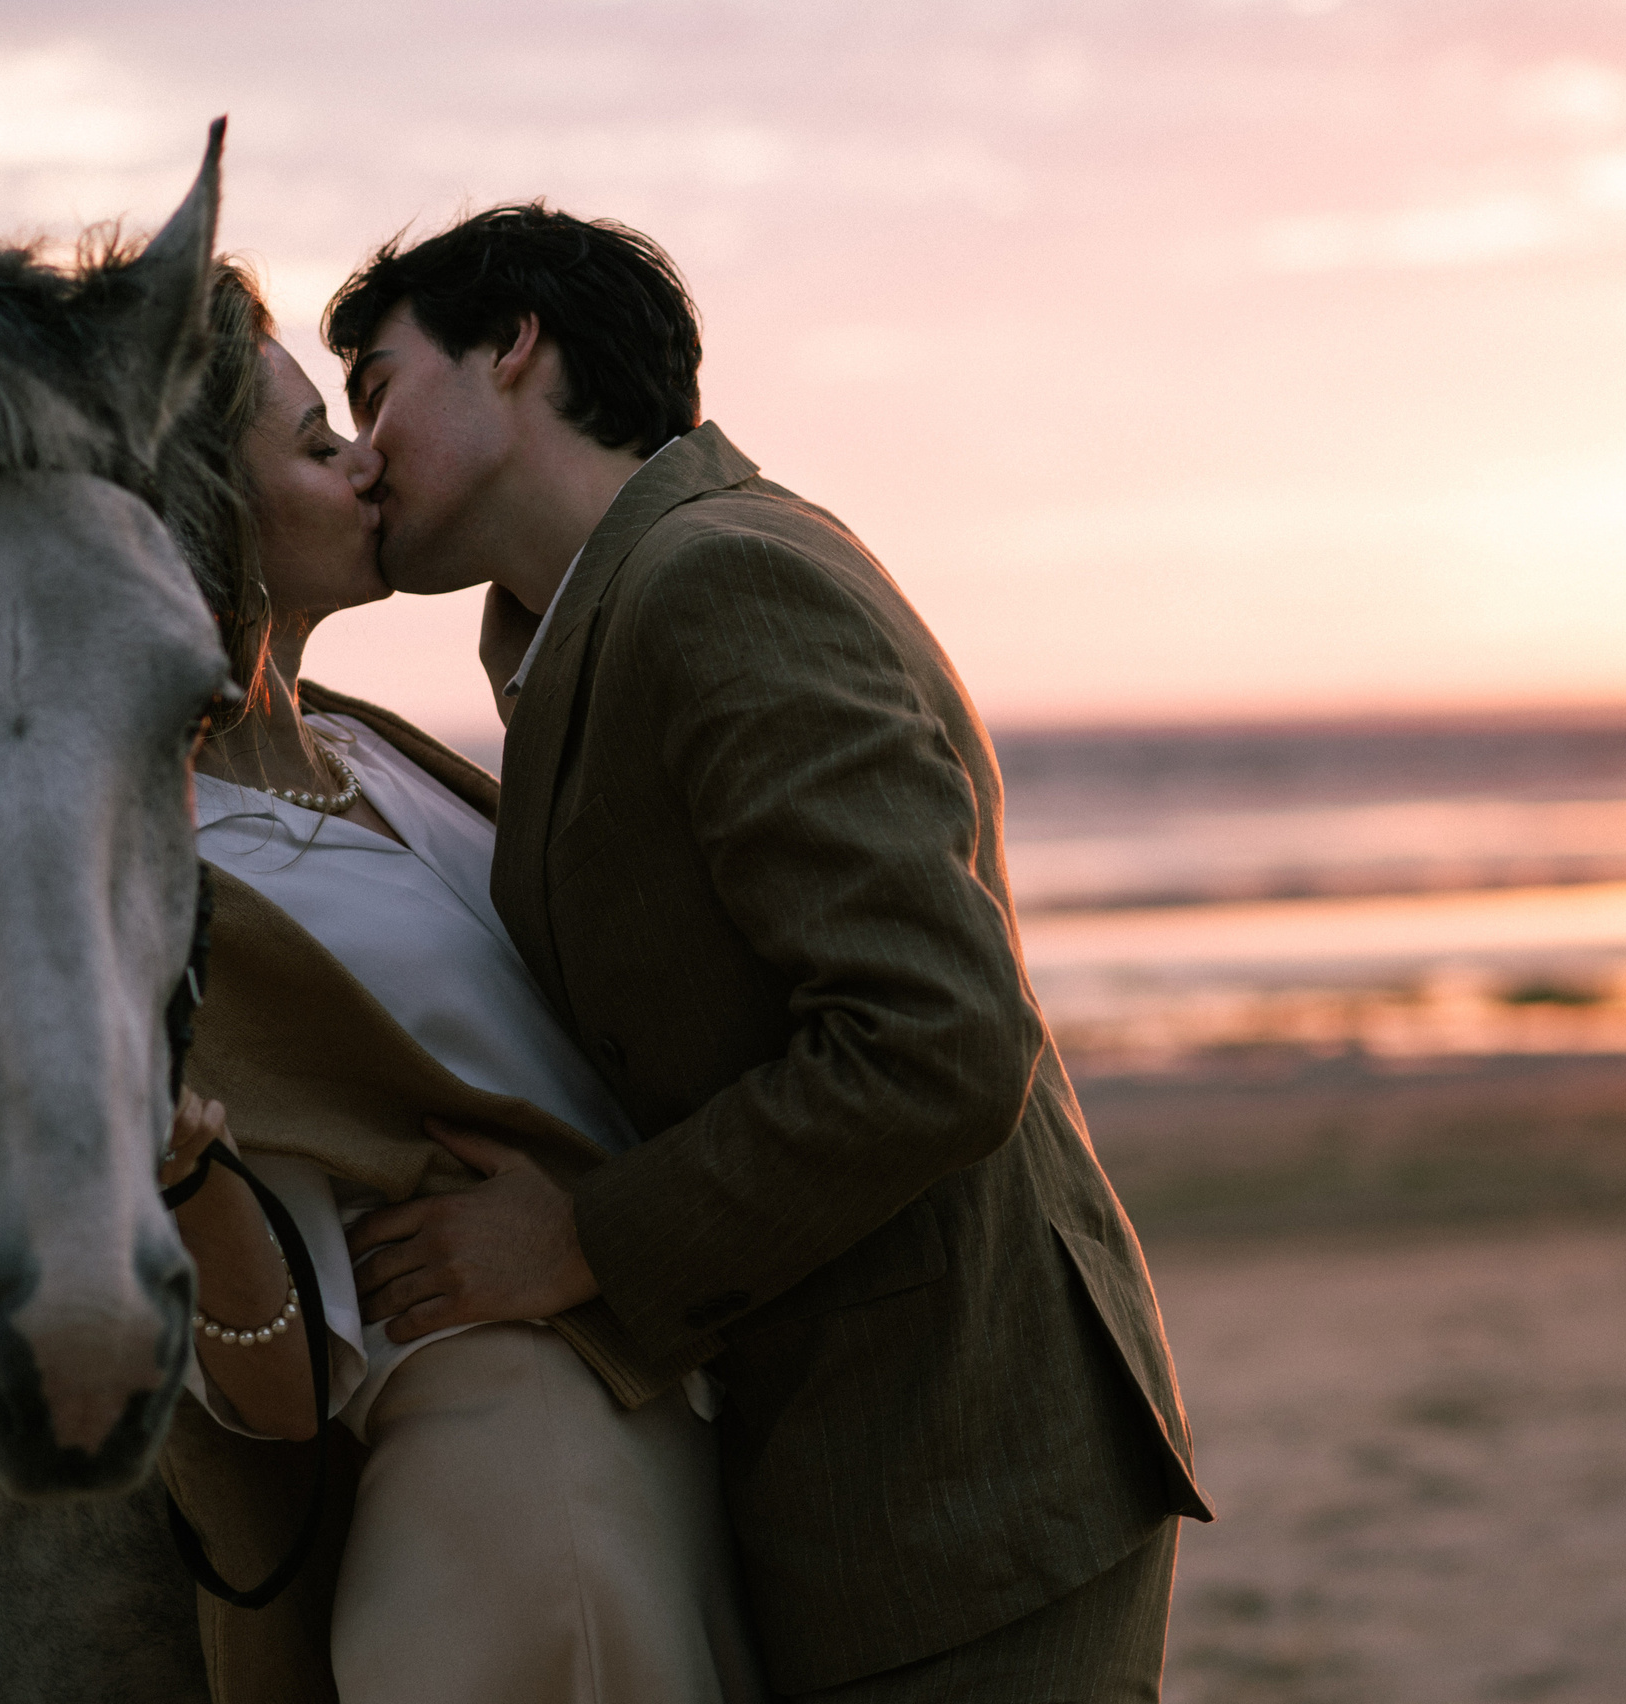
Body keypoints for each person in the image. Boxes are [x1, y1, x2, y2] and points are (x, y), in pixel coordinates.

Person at [324, 206, 1213, 1703]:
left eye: (376, 393)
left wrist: (586, 1241)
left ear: (514, 346)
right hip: (860, 1469)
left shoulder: (717, 576)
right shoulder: (604, 611)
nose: (361, 458)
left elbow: (936, 1041)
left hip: (961, 1481)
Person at [150, 259, 764, 1704]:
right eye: (319, 442)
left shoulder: (370, 755)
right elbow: (272, 1382)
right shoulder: (168, 876)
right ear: (203, 508)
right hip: (515, 1496)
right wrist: (186, 1178)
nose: (367, 462)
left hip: (653, 1445)